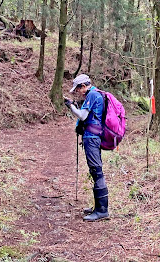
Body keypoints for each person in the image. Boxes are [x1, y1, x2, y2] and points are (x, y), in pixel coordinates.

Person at [64, 73, 109, 221]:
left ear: (83, 86)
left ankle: (102, 210)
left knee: (96, 170)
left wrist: (70, 106)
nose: (77, 92)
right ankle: (98, 207)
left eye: (77, 89)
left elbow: (82, 116)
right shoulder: (96, 94)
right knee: (95, 169)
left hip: (92, 137)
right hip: (93, 136)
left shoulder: (92, 95)